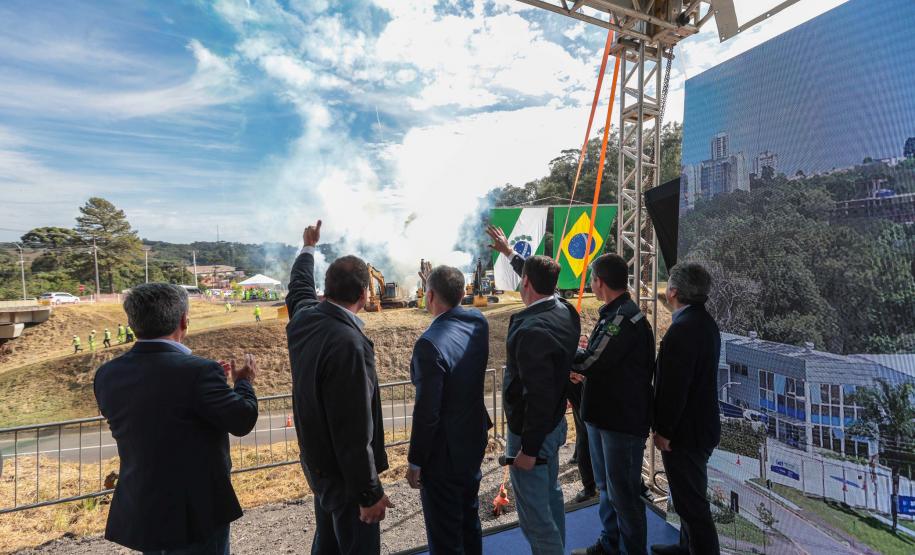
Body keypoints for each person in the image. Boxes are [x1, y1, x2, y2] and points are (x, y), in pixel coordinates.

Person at [94, 283, 258, 554]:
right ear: (184, 320)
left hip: (143, 506)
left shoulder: (107, 374)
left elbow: (155, 405)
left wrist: (207, 386)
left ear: (132, 323)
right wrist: (243, 382)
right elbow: (242, 420)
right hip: (196, 512)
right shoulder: (199, 373)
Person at [286, 220, 392, 554]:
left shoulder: (304, 318)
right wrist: (368, 494)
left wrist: (308, 247)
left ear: (326, 289)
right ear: (364, 294)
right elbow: (353, 431)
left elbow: (298, 287)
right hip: (346, 479)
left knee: (328, 543)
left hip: (318, 464)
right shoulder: (349, 344)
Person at [486, 224, 580, 555]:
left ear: (525, 283)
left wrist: (527, 449)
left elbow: (536, 397)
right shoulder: (566, 310)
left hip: (532, 434)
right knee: (551, 497)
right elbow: (538, 278)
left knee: (535, 519)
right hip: (554, 425)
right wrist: (510, 252)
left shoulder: (531, 331)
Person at [570, 254, 656, 555]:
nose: (591, 285)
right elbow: (602, 363)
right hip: (603, 416)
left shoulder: (623, 318)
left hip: (620, 422)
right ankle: (610, 544)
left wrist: (562, 353)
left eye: (592, 279)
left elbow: (592, 361)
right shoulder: (614, 313)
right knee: (607, 489)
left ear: (600, 282)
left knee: (624, 495)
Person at [406, 265, 491, 554]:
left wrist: (416, 460)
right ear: (463, 292)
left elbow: (427, 412)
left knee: (445, 537)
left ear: (429, 296)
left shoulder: (428, 344)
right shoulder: (478, 321)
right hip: (473, 439)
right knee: (469, 521)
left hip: (443, 455)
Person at [651, 262, 721, 555]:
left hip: (685, 433)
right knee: (686, 499)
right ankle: (686, 546)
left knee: (692, 506)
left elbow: (675, 388)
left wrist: (664, 430)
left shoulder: (683, 329)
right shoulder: (703, 322)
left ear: (674, 291)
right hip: (699, 427)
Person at [568, 336, 597, 504]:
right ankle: (590, 487)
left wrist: (582, 378)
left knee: (587, 442)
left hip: (593, 406)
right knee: (584, 442)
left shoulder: (583, 357)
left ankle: (592, 487)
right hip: (580, 405)